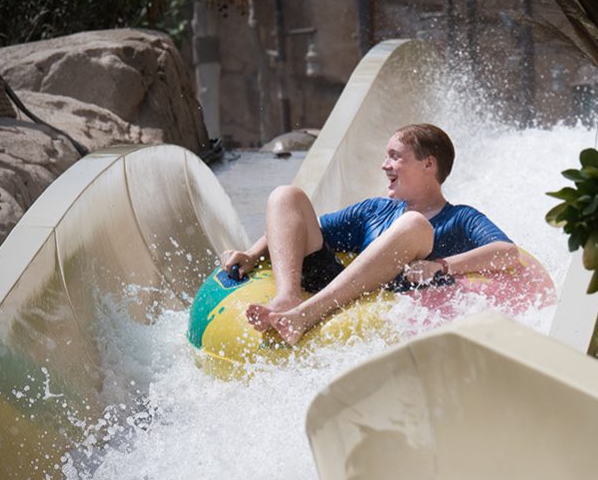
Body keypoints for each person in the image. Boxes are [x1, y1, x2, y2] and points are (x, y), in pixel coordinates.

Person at [219, 123, 519, 346]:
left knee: (414, 225)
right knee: (286, 196)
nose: (384, 165)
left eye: (395, 157)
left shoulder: (460, 218)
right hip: (338, 288)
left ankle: (305, 315)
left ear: (429, 164)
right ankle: (287, 298)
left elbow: (507, 252)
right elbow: (294, 228)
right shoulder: (375, 210)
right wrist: (254, 252)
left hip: (389, 302)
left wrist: (440, 265)